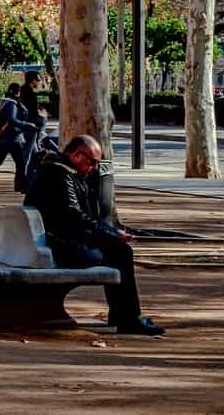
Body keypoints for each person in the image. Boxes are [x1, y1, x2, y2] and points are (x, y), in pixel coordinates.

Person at [26, 135, 163, 335]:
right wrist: (112, 234)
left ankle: (122, 316)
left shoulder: (53, 169)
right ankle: (128, 319)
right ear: (77, 155)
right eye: (92, 162)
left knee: (116, 250)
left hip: (50, 242)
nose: (95, 168)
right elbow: (74, 216)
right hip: (61, 248)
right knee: (121, 253)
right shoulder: (61, 175)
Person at [0, 82, 39, 193]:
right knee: (20, 163)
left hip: (5, 138)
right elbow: (12, 120)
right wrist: (28, 125)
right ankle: (21, 186)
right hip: (12, 138)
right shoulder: (11, 104)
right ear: (18, 92)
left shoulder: (4, 101)